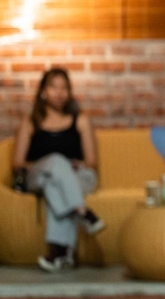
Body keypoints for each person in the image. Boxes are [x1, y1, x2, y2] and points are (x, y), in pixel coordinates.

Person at [11, 68, 104, 273]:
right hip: (39, 175)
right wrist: (51, 164)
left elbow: (91, 162)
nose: (59, 92)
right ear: (43, 91)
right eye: (53, 87)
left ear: (69, 92)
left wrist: (73, 166)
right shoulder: (30, 121)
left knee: (56, 185)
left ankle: (60, 254)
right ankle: (81, 211)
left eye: (64, 88)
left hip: (77, 177)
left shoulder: (81, 119)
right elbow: (17, 163)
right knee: (55, 161)